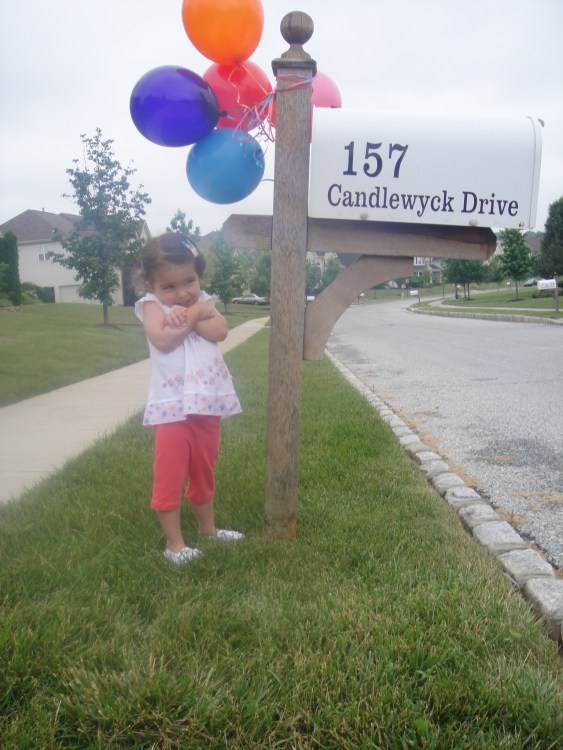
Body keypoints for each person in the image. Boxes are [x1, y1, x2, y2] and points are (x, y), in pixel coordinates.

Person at [134, 232, 244, 565]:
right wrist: (197, 315)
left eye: (189, 281)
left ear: (199, 276)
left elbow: (220, 331)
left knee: (203, 470)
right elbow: (163, 339)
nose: (182, 293)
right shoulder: (152, 306)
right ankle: (175, 545)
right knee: (169, 474)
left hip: (206, 404)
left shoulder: (202, 302)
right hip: (173, 409)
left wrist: (191, 315)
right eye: (169, 286)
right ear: (151, 285)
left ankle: (209, 530)